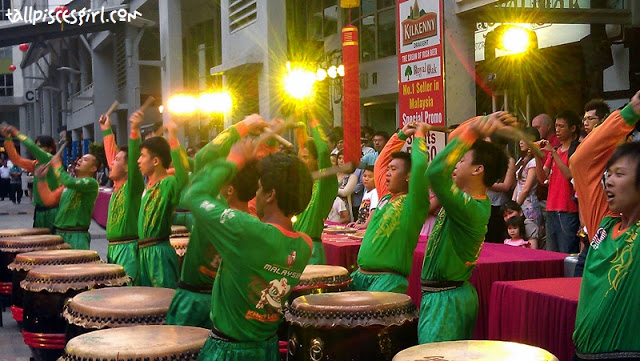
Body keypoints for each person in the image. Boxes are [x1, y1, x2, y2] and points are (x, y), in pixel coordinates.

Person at [186, 147, 314, 361]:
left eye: (259, 188)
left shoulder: (247, 230)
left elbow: (194, 195)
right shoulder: (305, 245)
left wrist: (233, 161)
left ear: (271, 194)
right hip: (267, 350)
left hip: (228, 352)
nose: (255, 195)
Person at [418, 112, 511, 344]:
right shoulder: (463, 200)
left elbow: (436, 172)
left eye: (461, 161)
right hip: (447, 297)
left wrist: (473, 131)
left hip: (446, 302)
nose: (455, 165)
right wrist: (478, 123)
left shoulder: (471, 207)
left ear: (478, 169)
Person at [166, 115, 265, 328]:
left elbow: (204, 158)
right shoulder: (257, 225)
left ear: (229, 189)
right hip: (230, 309)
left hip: (192, 304)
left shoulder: (210, 209)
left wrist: (243, 126)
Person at [570, 90, 640, 360]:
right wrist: (630, 112)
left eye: (619, 174)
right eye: (607, 174)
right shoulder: (604, 222)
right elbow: (581, 160)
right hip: (582, 353)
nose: (608, 181)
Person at [351, 121, 429, 293]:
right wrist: (401, 135)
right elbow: (381, 163)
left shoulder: (414, 202)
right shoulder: (386, 196)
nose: (387, 172)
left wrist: (419, 136)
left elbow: (420, 167)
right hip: (360, 275)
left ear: (409, 176)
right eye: (389, 169)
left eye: (393, 169)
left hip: (387, 281)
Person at [135, 117, 189, 288]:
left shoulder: (168, 183)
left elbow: (182, 173)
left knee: (163, 304)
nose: (138, 160)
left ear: (156, 161)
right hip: (143, 252)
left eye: (143, 156)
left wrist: (173, 136)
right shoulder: (148, 185)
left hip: (159, 253)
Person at [99, 111, 145, 279]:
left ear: (128, 168)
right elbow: (112, 154)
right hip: (113, 249)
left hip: (128, 250)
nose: (111, 162)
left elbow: (132, 160)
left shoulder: (132, 187)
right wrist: (106, 130)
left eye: (117, 161)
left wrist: (134, 129)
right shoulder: (118, 187)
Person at [534, 111, 581, 253]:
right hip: (551, 208)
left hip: (568, 209)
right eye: (556, 126)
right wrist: (537, 155)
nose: (557, 130)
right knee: (551, 254)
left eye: (561, 126)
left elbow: (569, 175)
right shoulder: (555, 150)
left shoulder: (577, 149)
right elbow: (542, 178)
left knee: (566, 252)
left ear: (572, 128)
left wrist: (553, 153)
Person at [293, 119, 339, 264]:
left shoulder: (325, 182)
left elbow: (324, 150)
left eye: (305, 158)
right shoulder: (300, 182)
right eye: (300, 157)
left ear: (317, 160)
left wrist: (312, 115)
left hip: (311, 252)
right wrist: (300, 131)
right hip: (293, 248)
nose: (301, 161)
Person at [37, 150, 99, 249]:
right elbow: (48, 200)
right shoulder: (68, 184)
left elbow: (69, 182)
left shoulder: (91, 183)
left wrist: (57, 165)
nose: (79, 161)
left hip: (76, 235)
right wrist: (42, 179)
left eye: (85, 160)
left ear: (93, 168)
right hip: (59, 234)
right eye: (80, 159)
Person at [1, 127, 60, 230]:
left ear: (50, 149)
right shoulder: (35, 164)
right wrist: (8, 139)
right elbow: (16, 160)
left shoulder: (51, 160)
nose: (37, 150)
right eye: (37, 147)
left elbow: (31, 147)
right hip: (39, 211)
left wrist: (16, 132)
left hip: (53, 211)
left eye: (40, 147)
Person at [513, 127, 543, 230]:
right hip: (519, 204)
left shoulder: (534, 162)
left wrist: (515, 206)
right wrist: (513, 204)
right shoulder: (523, 160)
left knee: (531, 238)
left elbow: (526, 188)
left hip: (529, 207)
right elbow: (518, 184)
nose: (521, 142)